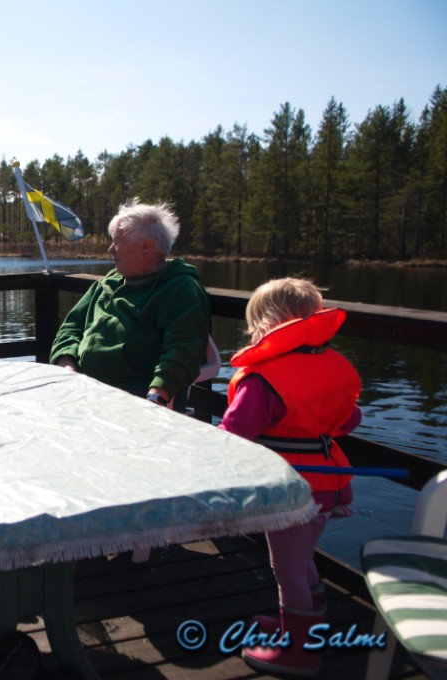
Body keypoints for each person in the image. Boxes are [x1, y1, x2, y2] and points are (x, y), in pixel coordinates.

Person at [221, 277, 362, 676]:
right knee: (301, 562)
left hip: (288, 488)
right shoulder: (332, 366)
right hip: (329, 483)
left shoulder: (266, 378)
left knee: (286, 571)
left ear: (264, 325)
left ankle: (298, 652)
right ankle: (305, 627)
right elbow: (350, 418)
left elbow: (235, 430)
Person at [49, 198, 210, 410]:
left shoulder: (179, 289)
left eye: (117, 242)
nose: (110, 249)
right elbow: (70, 327)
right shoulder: (107, 283)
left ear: (146, 246)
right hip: (82, 395)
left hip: (135, 405)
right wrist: (67, 367)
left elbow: (184, 350)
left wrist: (157, 395)